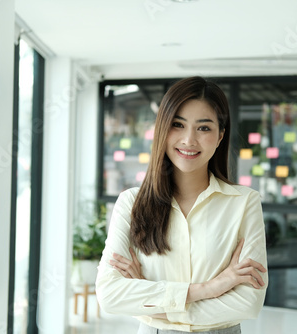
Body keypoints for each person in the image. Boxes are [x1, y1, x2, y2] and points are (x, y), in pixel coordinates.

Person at [95, 76, 268, 334]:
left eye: (204, 128)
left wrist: (150, 299)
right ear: (162, 129)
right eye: (178, 124)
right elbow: (110, 294)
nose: (189, 140)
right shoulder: (131, 203)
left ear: (221, 135)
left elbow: (247, 302)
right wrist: (212, 287)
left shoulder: (243, 203)